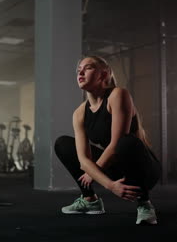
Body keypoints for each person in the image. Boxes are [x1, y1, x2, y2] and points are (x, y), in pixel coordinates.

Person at [54, 55, 161, 225]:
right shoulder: (79, 113)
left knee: (125, 142)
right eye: (78, 70)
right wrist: (111, 185)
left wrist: (93, 173)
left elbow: (116, 144)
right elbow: (83, 160)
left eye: (88, 68)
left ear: (104, 74)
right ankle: (90, 200)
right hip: (114, 165)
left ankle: (144, 204)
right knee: (63, 144)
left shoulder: (118, 95)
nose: (80, 72)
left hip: (144, 168)